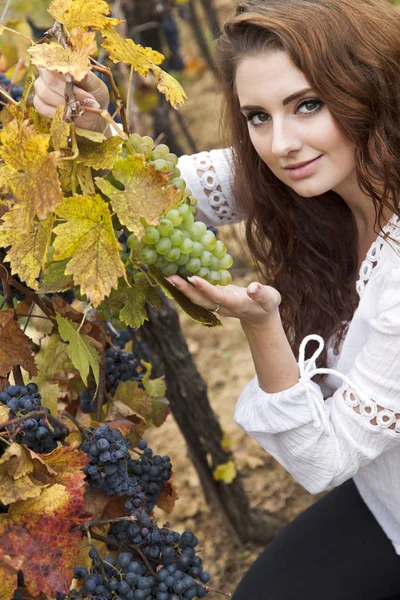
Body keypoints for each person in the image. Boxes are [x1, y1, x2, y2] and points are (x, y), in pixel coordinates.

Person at [33, 0, 400, 597]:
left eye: (308, 104)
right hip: (385, 500)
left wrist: (262, 325)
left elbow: (325, 460)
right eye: (258, 116)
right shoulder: (319, 171)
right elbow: (160, 194)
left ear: (369, 90)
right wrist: (91, 119)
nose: (281, 144)